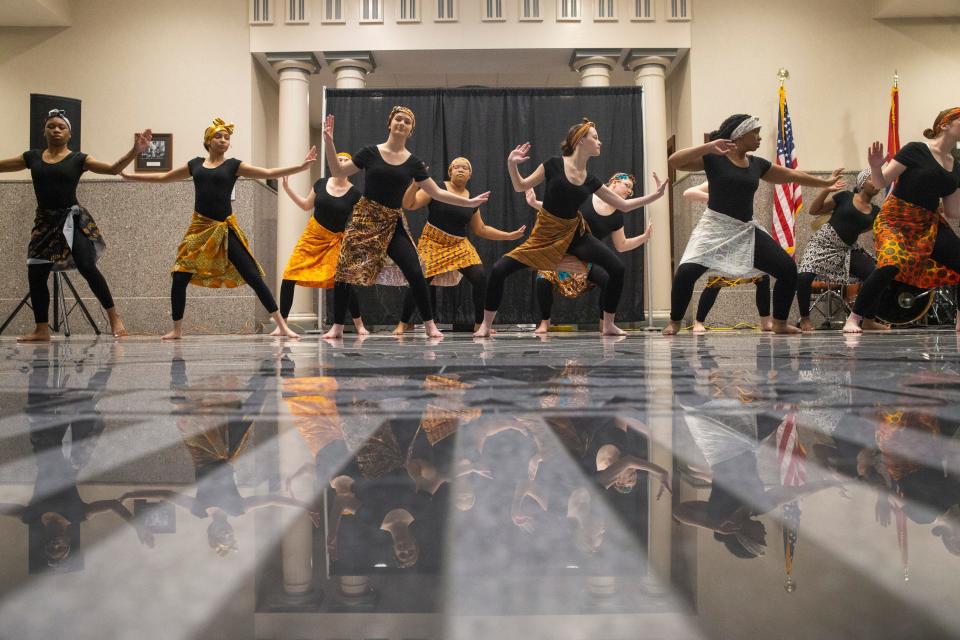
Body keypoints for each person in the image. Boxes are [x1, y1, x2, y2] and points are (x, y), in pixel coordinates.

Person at [121, 118, 315, 340]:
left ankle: (281, 325)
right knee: (179, 275)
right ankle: (176, 330)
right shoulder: (195, 165)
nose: (224, 140)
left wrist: (301, 166)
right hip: (199, 228)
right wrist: (131, 176)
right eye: (218, 136)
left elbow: (267, 171)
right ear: (208, 140)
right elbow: (164, 177)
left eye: (227, 138)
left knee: (252, 275)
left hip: (224, 228)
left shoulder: (233, 165)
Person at [474, 118, 667, 337]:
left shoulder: (591, 179)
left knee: (617, 268)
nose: (599, 142)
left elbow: (622, 204)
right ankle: (486, 326)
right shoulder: (553, 164)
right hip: (545, 234)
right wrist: (512, 164)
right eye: (595, 137)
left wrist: (655, 196)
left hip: (575, 233)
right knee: (500, 269)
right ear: (580, 140)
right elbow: (520, 185)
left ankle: (609, 324)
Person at [664, 113, 844, 335]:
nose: (759, 139)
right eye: (755, 134)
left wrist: (823, 182)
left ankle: (778, 323)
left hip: (745, 229)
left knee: (787, 270)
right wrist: (708, 146)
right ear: (739, 136)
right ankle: (674, 322)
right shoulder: (714, 159)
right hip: (715, 228)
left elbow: (790, 175)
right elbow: (674, 162)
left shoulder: (756, 164)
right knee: (685, 273)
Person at [320, 108, 489, 339]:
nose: (402, 123)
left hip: (392, 221)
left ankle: (429, 325)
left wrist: (469, 202)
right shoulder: (370, 153)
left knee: (416, 271)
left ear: (410, 130)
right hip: (365, 218)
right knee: (344, 271)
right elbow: (337, 170)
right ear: (390, 124)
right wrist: (329, 142)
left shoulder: (413, 163)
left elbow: (437, 192)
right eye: (398, 119)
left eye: (407, 121)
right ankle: (337, 326)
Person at [0, 108, 152, 341]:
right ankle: (42, 329)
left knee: (87, 266)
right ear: (44, 131)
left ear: (69, 134)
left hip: (71, 220)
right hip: (44, 222)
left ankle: (114, 317)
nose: (56, 130)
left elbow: (113, 169)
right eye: (51, 126)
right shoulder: (32, 157)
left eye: (61, 127)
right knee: (36, 272)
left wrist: (135, 150)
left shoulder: (79, 159)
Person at [843, 108, 960, 334]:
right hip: (895, 220)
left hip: (927, 224)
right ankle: (854, 318)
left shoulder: (956, 165)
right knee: (889, 265)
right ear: (944, 125)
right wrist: (876, 165)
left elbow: (953, 211)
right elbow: (880, 182)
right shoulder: (915, 150)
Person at [393, 156, 525, 334]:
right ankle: (403, 322)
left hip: (459, 245)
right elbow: (409, 204)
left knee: (480, 277)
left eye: (465, 168)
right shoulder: (436, 188)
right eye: (457, 167)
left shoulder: (471, 199)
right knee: (420, 281)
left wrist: (508, 236)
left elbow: (481, 229)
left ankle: (480, 324)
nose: (461, 170)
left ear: (470, 174)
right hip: (433, 242)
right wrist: (416, 184)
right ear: (450, 171)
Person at [524, 172, 653, 334]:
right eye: (627, 186)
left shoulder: (617, 216)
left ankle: (605, 324)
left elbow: (622, 245)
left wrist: (644, 237)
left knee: (608, 279)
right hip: (564, 253)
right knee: (543, 279)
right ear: (614, 181)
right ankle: (544, 323)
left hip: (586, 261)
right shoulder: (587, 196)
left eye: (631, 190)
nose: (629, 191)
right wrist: (534, 203)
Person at [278, 152, 369, 336]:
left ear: (350, 169)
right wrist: (287, 189)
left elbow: (361, 222)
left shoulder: (355, 194)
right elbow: (305, 205)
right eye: (339, 160)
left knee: (344, 282)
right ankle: (282, 325)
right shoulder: (320, 183)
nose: (341, 162)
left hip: (335, 241)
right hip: (312, 237)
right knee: (289, 276)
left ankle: (359, 325)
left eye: (345, 161)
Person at [797, 170, 887, 331]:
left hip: (846, 248)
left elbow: (863, 230)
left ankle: (868, 320)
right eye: (872, 179)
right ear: (861, 183)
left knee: (876, 274)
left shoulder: (875, 211)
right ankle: (804, 319)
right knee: (804, 276)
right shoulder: (845, 196)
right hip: (823, 243)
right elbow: (814, 210)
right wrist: (826, 189)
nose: (877, 183)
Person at [682, 182, 772, 333]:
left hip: (744, 231)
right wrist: (717, 198)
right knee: (716, 280)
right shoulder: (717, 178)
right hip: (722, 235)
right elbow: (688, 192)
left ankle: (765, 322)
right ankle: (699, 321)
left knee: (763, 276)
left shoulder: (747, 177)